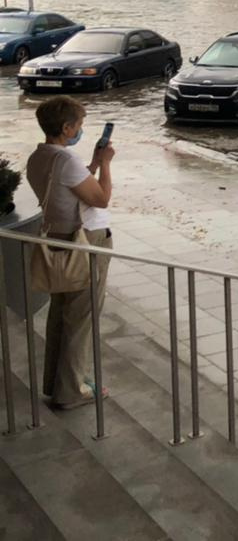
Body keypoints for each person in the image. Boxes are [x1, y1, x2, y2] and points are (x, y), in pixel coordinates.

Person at [25, 96, 114, 410]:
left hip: (59, 241)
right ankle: (72, 390)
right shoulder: (66, 161)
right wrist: (104, 164)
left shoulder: (41, 157)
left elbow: (71, 185)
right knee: (81, 317)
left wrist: (90, 162)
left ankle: (58, 382)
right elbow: (101, 198)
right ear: (66, 127)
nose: (81, 130)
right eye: (79, 125)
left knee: (61, 314)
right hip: (85, 243)